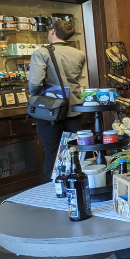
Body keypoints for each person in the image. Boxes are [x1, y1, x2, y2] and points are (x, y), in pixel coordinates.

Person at [28, 19, 87, 182]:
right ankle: (75, 185)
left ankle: (52, 189)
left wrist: (34, 94)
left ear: (52, 31)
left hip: (50, 111)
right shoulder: (79, 54)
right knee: (73, 151)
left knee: (51, 152)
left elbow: (34, 83)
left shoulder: (42, 52)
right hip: (75, 108)